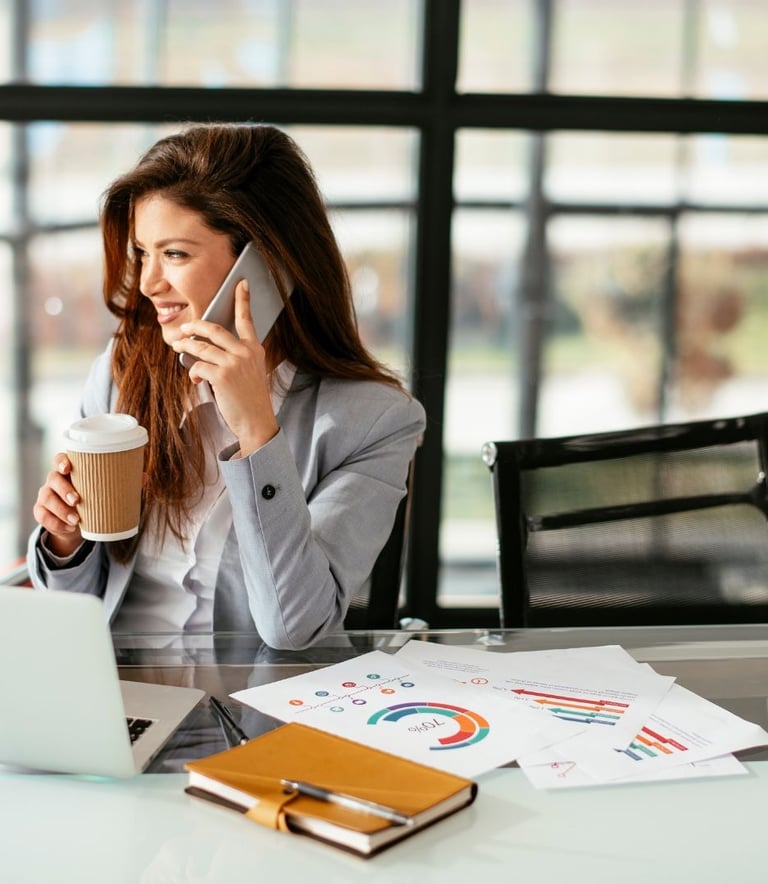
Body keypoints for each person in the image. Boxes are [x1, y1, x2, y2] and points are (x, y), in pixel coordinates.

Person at [27, 123, 425, 650]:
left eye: (175, 254)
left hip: (254, 708)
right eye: (143, 252)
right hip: (119, 694)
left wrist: (257, 432)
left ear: (265, 264)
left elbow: (294, 627)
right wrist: (65, 541)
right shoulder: (122, 374)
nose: (147, 283)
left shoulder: (374, 422)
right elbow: (73, 609)